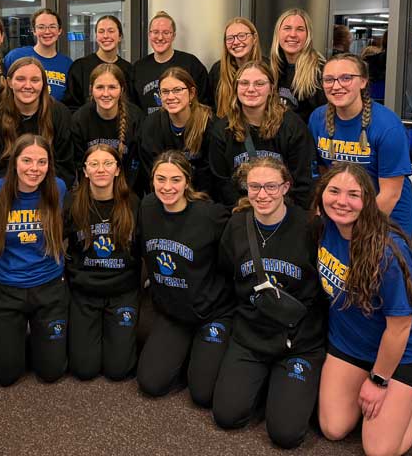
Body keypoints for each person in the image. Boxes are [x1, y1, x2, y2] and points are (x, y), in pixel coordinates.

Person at [315, 163, 412, 456]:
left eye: (353, 194)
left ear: (368, 200)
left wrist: (378, 381)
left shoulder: (389, 251)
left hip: (397, 351)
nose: (341, 201)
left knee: (379, 451)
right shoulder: (325, 226)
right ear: (322, 194)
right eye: (334, 191)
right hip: (349, 343)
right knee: (333, 428)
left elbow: (400, 328)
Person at [212, 157, 326, 449]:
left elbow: (325, 290)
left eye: (271, 186)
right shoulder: (236, 226)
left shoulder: (310, 227)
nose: (262, 195)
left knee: (286, 435)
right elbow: (227, 273)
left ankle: (282, 388)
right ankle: (266, 385)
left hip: (298, 341)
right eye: (254, 187)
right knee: (227, 415)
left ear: (286, 187)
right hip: (251, 336)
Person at [135, 150, 233, 407]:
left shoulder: (210, 215)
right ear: (152, 180)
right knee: (151, 383)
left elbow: (235, 254)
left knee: (202, 394)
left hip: (211, 312)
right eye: (161, 179)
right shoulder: (146, 208)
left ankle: (205, 352)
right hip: (174, 312)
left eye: (176, 180)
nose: (167, 187)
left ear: (187, 181)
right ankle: (186, 352)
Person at [0, 134, 68, 386]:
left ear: (49, 165)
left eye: (42, 162)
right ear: (14, 162)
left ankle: (36, 340)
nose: (34, 168)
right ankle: (12, 339)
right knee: (5, 376)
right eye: (27, 160)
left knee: (51, 373)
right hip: (6, 288)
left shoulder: (57, 189)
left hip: (49, 286)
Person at [309, 53, 412, 238]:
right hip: (342, 213)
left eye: (346, 78)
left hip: (385, 217)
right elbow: (325, 175)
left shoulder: (387, 126)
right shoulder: (318, 119)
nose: (336, 86)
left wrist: (358, 232)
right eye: (329, 79)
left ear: (363, 81)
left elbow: (390, 193)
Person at [65, 144, 140, 381]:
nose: (101, 170)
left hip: (122, 290)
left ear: (118, 170)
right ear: (85, 171)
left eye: (108, 163)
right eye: (94, 164)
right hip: (85, 290)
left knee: (118, 371)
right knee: (84, 370)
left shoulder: (134, 203)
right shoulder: (72, 203)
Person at [209, 61, 314, 207]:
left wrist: (280, 211)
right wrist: (242, 208)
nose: (251, 89)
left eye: (259, 83)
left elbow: (303, 182)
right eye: (244, 83)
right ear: (235, 88)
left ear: (271, 89)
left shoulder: (292, 126)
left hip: (283, 210)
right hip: (239, 210)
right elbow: (220, 183)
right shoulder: (222, 130)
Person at [0, 57, 75, 188]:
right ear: (10, 82)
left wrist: (36, 190)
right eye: (20, 79)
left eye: (35, 80)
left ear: (43, 84)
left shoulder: (60, 113)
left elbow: (65, 167)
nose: (28, 86)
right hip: (6, 191)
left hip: (48, 190)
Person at [138, 67, 215, 196]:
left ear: (191, 93)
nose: (171, 97)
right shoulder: (150, 125)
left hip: (202, 197)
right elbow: (150, 171)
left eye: (177, 90)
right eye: (165, 91)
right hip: (165, 195)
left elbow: (211, 176)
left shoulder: (209, 124)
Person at [71, 63, 144, 189]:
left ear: (121, 89)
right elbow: (79, 164)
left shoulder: (136, 118)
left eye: (112, 87)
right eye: (99, 87)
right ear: (91, 90)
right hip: (91, 191)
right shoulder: (80, 119)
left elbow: (137, 165)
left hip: (128, 191)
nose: (106, 93)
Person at [132, 11, 209, 114]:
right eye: (155, 32)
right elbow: (134, 108)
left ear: (173, 36)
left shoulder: (191, 64)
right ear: (149, 35)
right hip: (149, 129)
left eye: (166, 33)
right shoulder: (139, 68)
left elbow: (204, 104)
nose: (160, 37)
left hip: (186, 128)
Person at [63, 15, 134, 111]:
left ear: (120, 36)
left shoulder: (128, 69)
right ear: (96, 37)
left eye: (111, 31)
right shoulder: (79, 67)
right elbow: (71, 107)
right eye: (101, 31)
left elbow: (132, 106)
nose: (106, 36)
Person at [268, 8, 326, 123]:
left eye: (300, 29)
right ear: (278, 33)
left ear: (308, 35)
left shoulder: (320, 71)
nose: (293, 34)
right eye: (287, 28)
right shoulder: (271, 67)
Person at [3, 8, 72, 101]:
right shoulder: (15, 56)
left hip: (54, 114)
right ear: (34, 31)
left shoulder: (67, 64)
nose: (47, 31)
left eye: (52, 27)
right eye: (41, 27)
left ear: (59, 30)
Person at [208, 17, 263, 118]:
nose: (236, 42)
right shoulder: (217, 70)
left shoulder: (268, 68)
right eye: (230, 38)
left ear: (254, 38)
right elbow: (210, 108)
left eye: (242, 36)